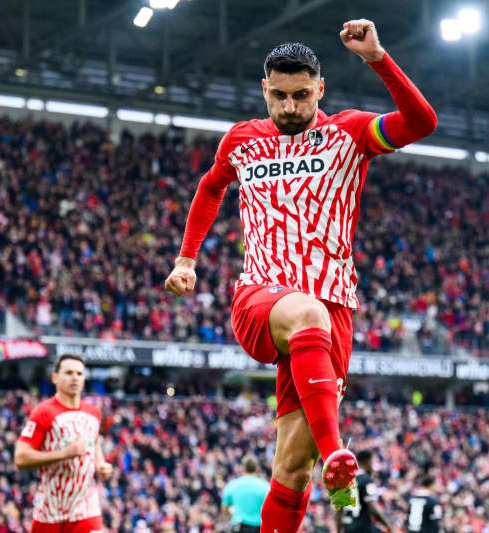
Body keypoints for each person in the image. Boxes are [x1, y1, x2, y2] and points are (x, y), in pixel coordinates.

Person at [164, 17, 436, 533]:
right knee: (306, 316)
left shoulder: (349, 134)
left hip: (332, 310)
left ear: (321, 89)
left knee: (291, 469)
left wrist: (378, 58)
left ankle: (323, 463)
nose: (290, 107)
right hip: (262, 296)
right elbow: (209, 186)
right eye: (280, 96)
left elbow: (422, 123)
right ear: (264, 89)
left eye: (302, 95)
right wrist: (186, 259)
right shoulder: (242, 139)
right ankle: (340, 460)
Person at [14, 354, 113, 533]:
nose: (74, 377)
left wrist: (101, 463)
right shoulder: (43, 412)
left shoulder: (94, 412)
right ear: (55, 377)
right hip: (51, 510)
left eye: (79, 373)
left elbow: (94, 440)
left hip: (86, 508)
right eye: (68, 373)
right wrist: (65, 453)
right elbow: (21, 457)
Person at [335, 450, 393, 533]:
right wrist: (388, 526)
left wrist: (338, 531)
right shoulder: (367, 480)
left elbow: (339, 512)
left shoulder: (344, 481)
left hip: (348, 529)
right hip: (363, 528)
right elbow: (373, 508)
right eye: (373, 462)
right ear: (368, 462)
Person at [221, 456, 271, 532]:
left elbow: (224, 509)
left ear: (243, 468)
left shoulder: (232, 485)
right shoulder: (265, 486)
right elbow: (270, 510)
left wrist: (234, 513)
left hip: (239, 527)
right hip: (258, 528)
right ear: (257, 468)